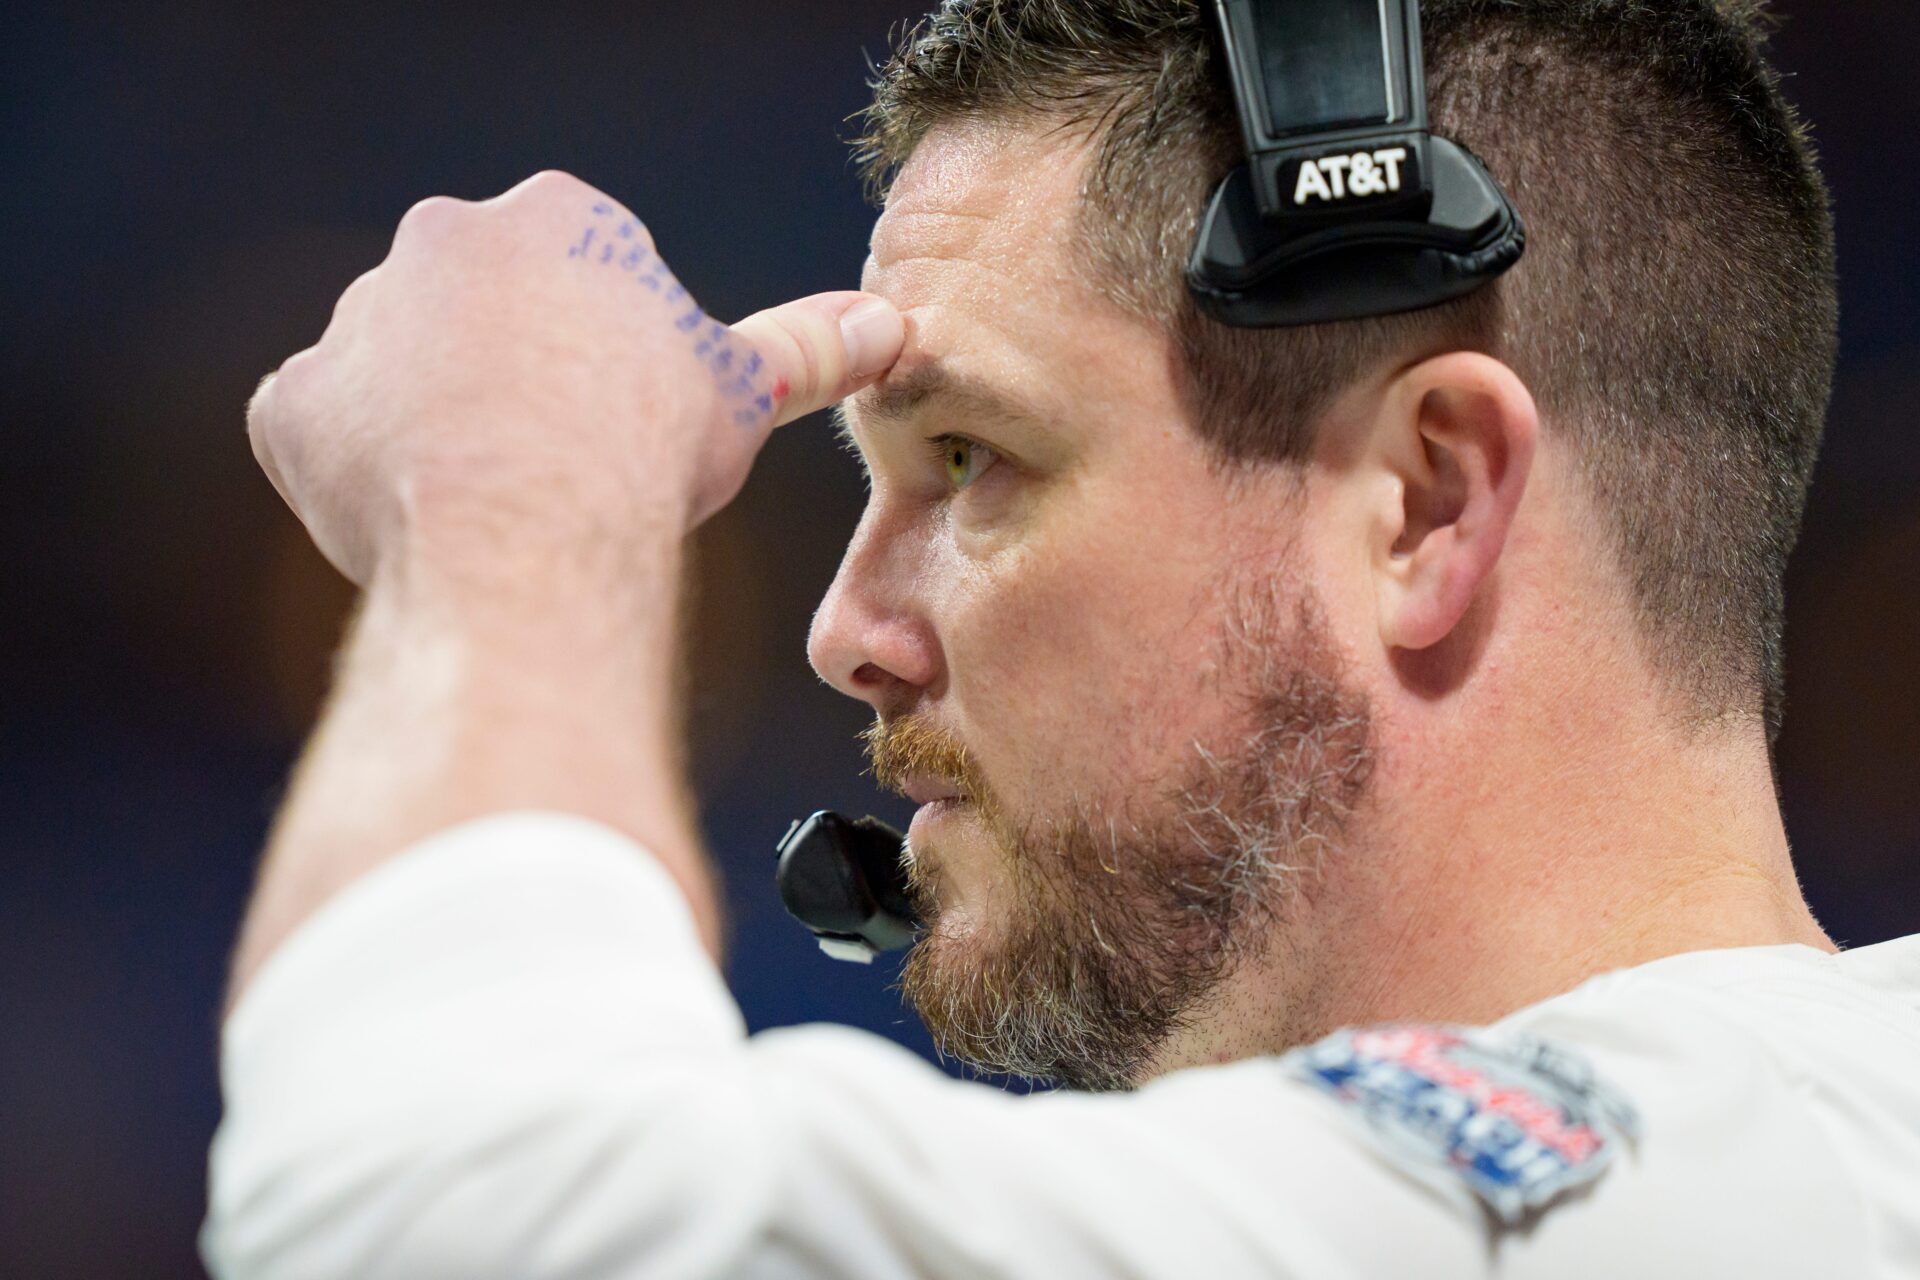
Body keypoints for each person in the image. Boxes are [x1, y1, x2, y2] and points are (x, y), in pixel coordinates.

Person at [202, 1, 1920, 1276]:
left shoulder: (1728, 1185)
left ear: (1424, 503)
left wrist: (511, 483)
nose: (845, 633)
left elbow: (440, 1218)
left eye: (971, 460)